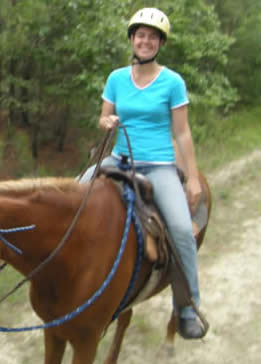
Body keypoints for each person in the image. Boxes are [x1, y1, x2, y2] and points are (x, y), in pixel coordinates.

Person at [80, 8, 205, 339]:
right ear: (132, 39)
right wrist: (107, 121)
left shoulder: (173, 82)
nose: (145, 41)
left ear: (160, 42)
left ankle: (188, 306)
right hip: (119, 159)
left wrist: (191, 178)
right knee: (74, 198)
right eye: (140, 35)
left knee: (180, 229)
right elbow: (104, 116)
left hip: (159, 165)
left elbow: (182, 133)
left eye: (152, 36)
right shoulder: (116, 78)